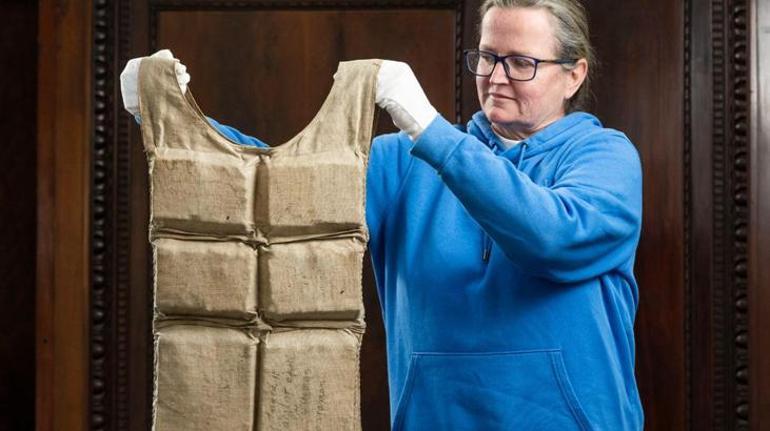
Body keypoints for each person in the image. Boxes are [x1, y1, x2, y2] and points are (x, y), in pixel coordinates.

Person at [122, 0, 644, 429]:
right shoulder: (402, 161)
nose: (496, 77)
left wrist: (431, 131)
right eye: (487, 57)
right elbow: (276, 190)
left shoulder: (605, 157)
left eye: (521, 62)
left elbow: (553, 237)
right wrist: (172, 115)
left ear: (573, 75)